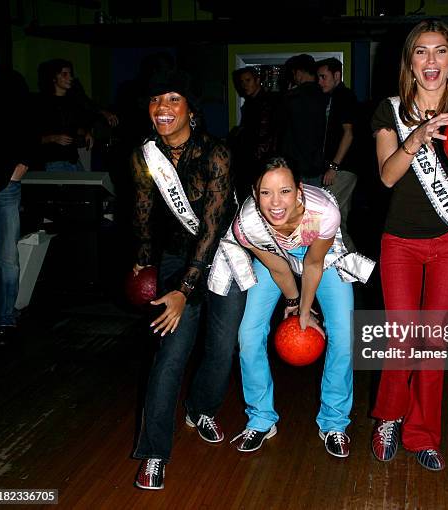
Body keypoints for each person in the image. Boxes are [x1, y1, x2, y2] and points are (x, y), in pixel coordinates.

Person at [369, 19, 448, 471]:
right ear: (409, 61)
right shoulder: (390, 111)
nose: (431, 61)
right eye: (421, 51)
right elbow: (386, 176)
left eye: (441, 51)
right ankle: (388, 418)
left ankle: (424, 436)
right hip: (400, 241)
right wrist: (417, 138)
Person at [208, 157, 374, 458]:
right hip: (276, 264)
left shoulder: (322, 212)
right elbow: (280, 270)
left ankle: (334, 422)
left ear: (299, 191)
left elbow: (312, 263)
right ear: (254, 193)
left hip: (321, 258)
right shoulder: (247, 225)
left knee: (345, 335)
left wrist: (305, 311)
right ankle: (260, 419)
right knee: (248, 335)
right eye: (265, 192)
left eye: (284, 191)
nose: (275, 203)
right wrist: (294, 302)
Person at [131, 70, 246, 490]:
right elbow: (143, 213)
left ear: (191, 112)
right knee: (171, 353)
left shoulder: (216, 153)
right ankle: (154, 452)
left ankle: (202, 409)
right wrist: (143, 263)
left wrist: (184, 291)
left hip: (226, 256)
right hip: (177, 257)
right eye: (155, 99)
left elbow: (213, 229)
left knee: (221, 346)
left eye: (173, 99)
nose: (162, 107)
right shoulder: (145, 155)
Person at [0, 29, 33, 347]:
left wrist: (22, 165)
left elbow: (28, 126)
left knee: (6, 257)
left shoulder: (11, 82)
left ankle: (5, 317)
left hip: (5, 182)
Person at [316, 57, 360, 252]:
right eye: (318, 77)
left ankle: (355, 266)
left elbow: (349, 133)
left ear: (337, 75)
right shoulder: (333, 97)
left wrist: (334, 166)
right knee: (338, 217)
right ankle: (352, 267)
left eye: (323, 77)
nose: (320, 81)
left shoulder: (344, 96)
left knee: (329, 217)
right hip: (341, 167)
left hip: (343, 168)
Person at [229, 66, 279, 201]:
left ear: (257, 80)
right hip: (253, 162)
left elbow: (265, 137)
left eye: (248, 80)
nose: (244, 85)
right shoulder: (253, 102)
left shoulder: (265, 102)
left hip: (256, 163)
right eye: (242, 82)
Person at [35, 58, 93, 172]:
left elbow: (74, 127)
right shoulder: (42, 103)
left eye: (70, 74)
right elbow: (31, 137)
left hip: (73, 160)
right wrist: (53, 138)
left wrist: (86, 133)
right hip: (53, 162)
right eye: (64, 74)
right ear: (53, 78)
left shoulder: (72, 101)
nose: (70, 78)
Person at [277, 54, 327, 186]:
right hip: (317, 164)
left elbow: (280, 128)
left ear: (298, 73)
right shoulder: (324, 95)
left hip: (295, 164)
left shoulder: (291, 97)